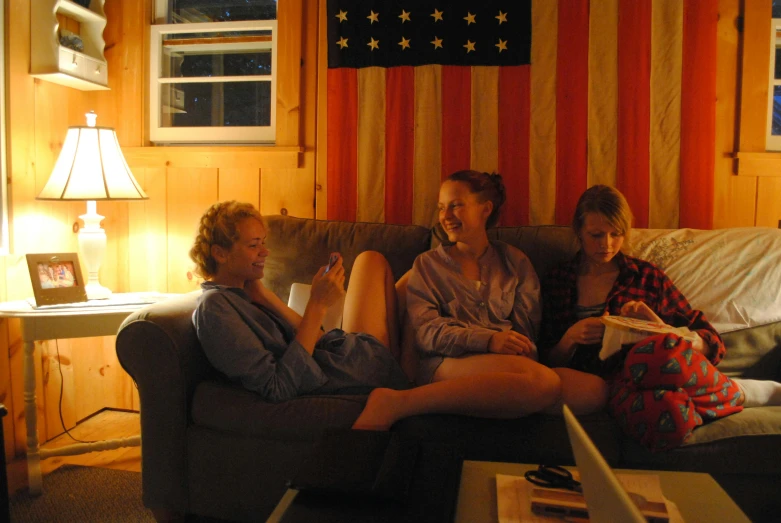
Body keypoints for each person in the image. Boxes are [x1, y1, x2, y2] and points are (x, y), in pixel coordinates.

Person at [539, 184, 781, 451]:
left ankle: (742, 390)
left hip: (660, 367)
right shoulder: (558, 281)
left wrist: (661, 327)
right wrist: (571, 337)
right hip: (612, 386)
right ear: (579, 231)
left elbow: (709, 341)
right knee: (673, 421)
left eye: (616, 234)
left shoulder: (645, 277)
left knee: (661, 350)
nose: (606, 245)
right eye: (596, 235)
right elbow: (544, 362)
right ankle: (737, 392)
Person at [366, 170, 608, 427]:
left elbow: (526, 335)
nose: (445, 217)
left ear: (485, 209)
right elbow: (426, 334)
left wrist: (517, 351)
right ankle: (398, 402)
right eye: (441, 208)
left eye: (455, 206)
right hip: (447, 361)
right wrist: (489, 339)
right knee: (544, 382)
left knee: (593, 390)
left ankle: (496, 398)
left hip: (509, 365)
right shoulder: (428, 265)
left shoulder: (516, 262)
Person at [190, 201, 410, 403]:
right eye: (253, 245)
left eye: (263, 243)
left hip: (348, 351)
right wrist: (318, 304)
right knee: (418, 278)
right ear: (220, 254)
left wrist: (266, 296)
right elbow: (278, 386)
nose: (265, 252)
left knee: (380, 264)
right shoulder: (214, 308)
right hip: (353, 371)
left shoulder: (246, 291)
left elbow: (317, 337)